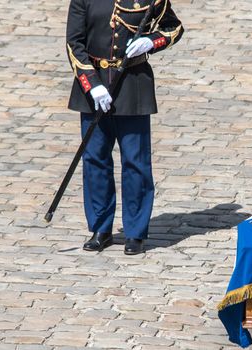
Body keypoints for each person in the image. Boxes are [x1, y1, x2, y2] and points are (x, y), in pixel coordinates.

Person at [65, 0, 183, 255]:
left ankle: (135, 231)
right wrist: (91, 84)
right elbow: (74, 44)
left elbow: (173, 29)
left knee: (136, 162)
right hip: (94, 89)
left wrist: (152, 42)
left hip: (133, 85)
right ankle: (100, 227)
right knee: (95, 160)